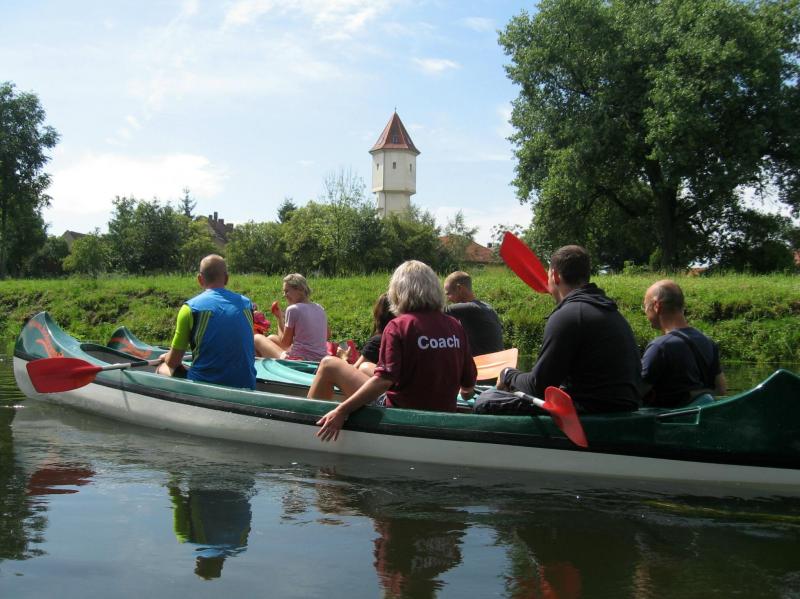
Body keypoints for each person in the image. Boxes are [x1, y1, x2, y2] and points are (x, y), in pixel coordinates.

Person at [315, 260, 477, 442]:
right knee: (366, 366)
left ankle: (311, 426)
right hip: (442, 416)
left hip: (401, 415)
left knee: (329, 364)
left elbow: (384, 381)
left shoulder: (398, 326)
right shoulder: (454, 326)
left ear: (398, 291)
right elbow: (467, 386)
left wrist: (341, 410)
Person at [487, 245, 641, 414]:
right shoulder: (612, 312)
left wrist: (508, 374)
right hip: (625, 409)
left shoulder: (567, 316)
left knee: (486, 399)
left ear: (555, 276)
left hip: (589, 413)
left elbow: (538, 387)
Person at [157, 254, 256, 389]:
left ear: (200, 279)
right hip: (246, 385)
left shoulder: (189, 308)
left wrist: (166, 358)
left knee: (163, 368)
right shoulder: (247, 305)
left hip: (205, 389)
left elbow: (173, 362)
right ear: (226, 278)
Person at [641, 279, 727, 407]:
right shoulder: (708, 342)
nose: (645, 312)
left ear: (657, 306)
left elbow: (636, 392)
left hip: (672, 418)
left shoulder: (660, 347)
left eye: (645, 307)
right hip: (703, 413)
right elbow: (721, 389)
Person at [306, 293, 394, 401]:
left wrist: (344, 359)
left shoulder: (377, 341)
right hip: (394, 393)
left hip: (380, 396)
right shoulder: (401, 339)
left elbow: (353, 371)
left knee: (329, 364)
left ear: (378, 314)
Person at [254, 273, 328, 361]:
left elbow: (285, 343)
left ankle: (260, 369)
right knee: (272, 338)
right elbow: (327, 334)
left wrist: (279, 318)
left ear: (300, 289)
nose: (284, 295)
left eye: (287, 291)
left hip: (299, 361)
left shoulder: (293, 309)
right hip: (319, 359)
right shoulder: (319, 308)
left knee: (257, 338)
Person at [443, 271, 504, 356]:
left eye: (448, 294)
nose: (448, 299)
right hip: (496, 359)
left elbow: (434, 310)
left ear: (459, 288)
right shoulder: (485, 306)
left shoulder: (470, 308)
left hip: (485, 362)